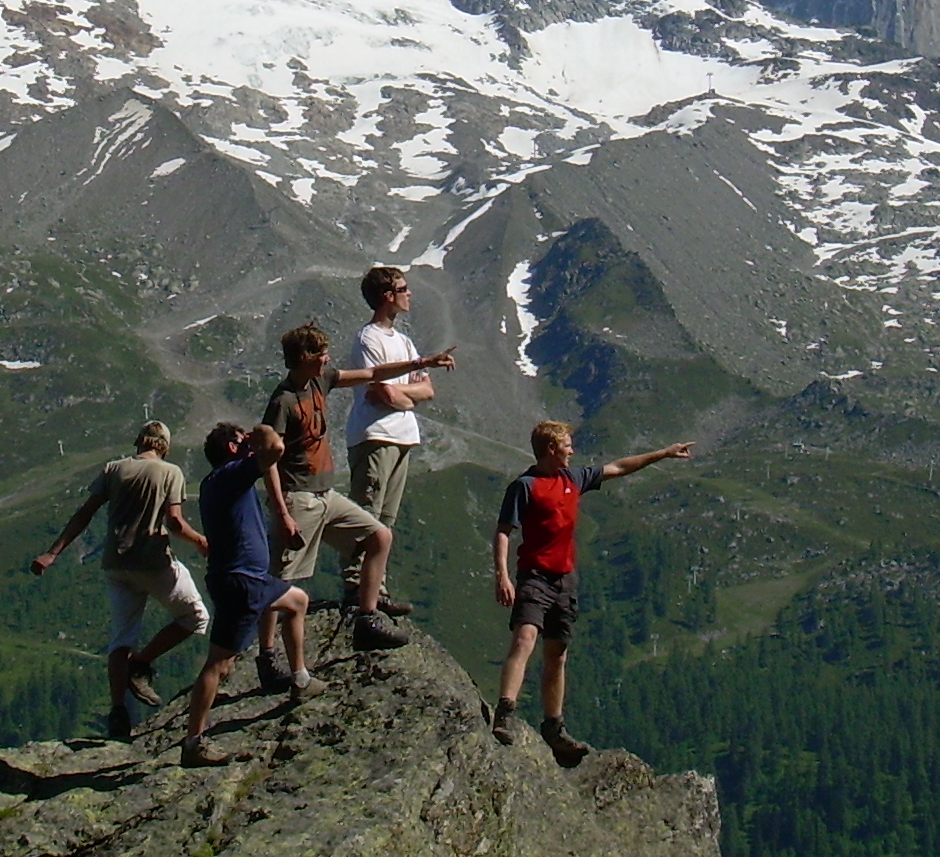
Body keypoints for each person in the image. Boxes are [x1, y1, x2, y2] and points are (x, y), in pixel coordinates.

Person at [491, 421, 692, 766]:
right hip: (535, 576)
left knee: (557, 654)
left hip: (565, 580)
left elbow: (619, 467)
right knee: (525, 639)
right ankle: (504, 713)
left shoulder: (574, 479)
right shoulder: (525, 486)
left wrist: (663, 453)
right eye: (567, 445)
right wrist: (503, 576)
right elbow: (504, 532)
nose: (573, 450)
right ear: (551, 449)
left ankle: (554, 728)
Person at [257, 323, 448, 684]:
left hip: (326, 496)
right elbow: (267, 460)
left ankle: (366, 618)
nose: (327, 358)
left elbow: (373, 374)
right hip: (298, 499)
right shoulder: (281, 402)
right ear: (304, 358)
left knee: (379, 536)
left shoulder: (322, 380)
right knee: (281, 583)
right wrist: (282, 512)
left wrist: (423, 362)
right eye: (321, 354)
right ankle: (267, 658)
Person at [32, 419, 209, 740]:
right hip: (154, 563)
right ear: (165, 446)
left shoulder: (113, 469)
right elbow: (175, 521)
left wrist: (52, 553)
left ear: (138, 442)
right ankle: (139, 666)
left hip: (116, 563)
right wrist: (200, 541)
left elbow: (84, 513)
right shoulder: (170, 472)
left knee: (121, 639)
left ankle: (117, 712)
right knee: (195, 616)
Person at [182, 420, 321, 767]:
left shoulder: (216, 481)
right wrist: (260, 431)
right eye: (240, 440)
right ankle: (193, 742)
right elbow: (275, 449)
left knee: (297, 601)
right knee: (220, 664)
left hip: (242, 578)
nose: (246, 444)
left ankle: (300, 678)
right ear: (231, 448)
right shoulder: (232, 474)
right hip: (243, 580)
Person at [341, 265, 451, 612]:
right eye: (403, 288)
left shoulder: (404, 342)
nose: (409, 294)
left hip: (402, 436)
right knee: (367, 512)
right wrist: (407, 396)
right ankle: (356, 586)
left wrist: (400, 394)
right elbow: (379, 391)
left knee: (386, 519)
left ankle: (377, 588)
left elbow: (426, 391)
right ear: (387, 296)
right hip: (375, 435)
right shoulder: (368, 339)